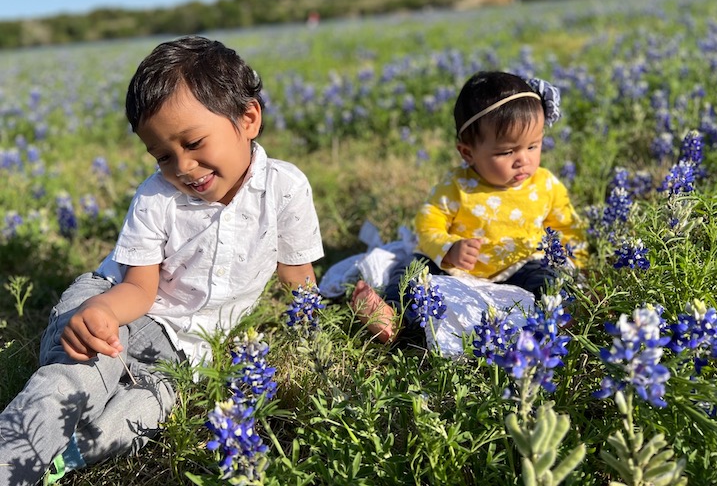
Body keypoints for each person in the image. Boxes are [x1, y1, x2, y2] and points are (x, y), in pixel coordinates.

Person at [0, 35, 324, 485]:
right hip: (119, 308)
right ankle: (10, 460)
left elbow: (297, 277)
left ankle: (62, 457)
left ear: (248, 118)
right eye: (164, 156)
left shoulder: (285, 188)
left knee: (140, 415)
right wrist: (99, 314)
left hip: (185, 354)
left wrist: (314, 332)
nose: (183, 166)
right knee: (79, 379)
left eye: (194, 142)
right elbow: (138, 288)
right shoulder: (157, 196)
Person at [351, 71, 586, 343]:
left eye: (533, 146)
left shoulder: (546, 184)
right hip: (457, 272)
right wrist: (449, 248)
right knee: (412, 269)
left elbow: (567, 226)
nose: (523, 159)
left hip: (521, 265)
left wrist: (577, 264)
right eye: (506, 152)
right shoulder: (457, 186)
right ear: (468, 152)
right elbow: (428, 223)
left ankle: (563, 315)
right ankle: (395, 317)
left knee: (548, 280)